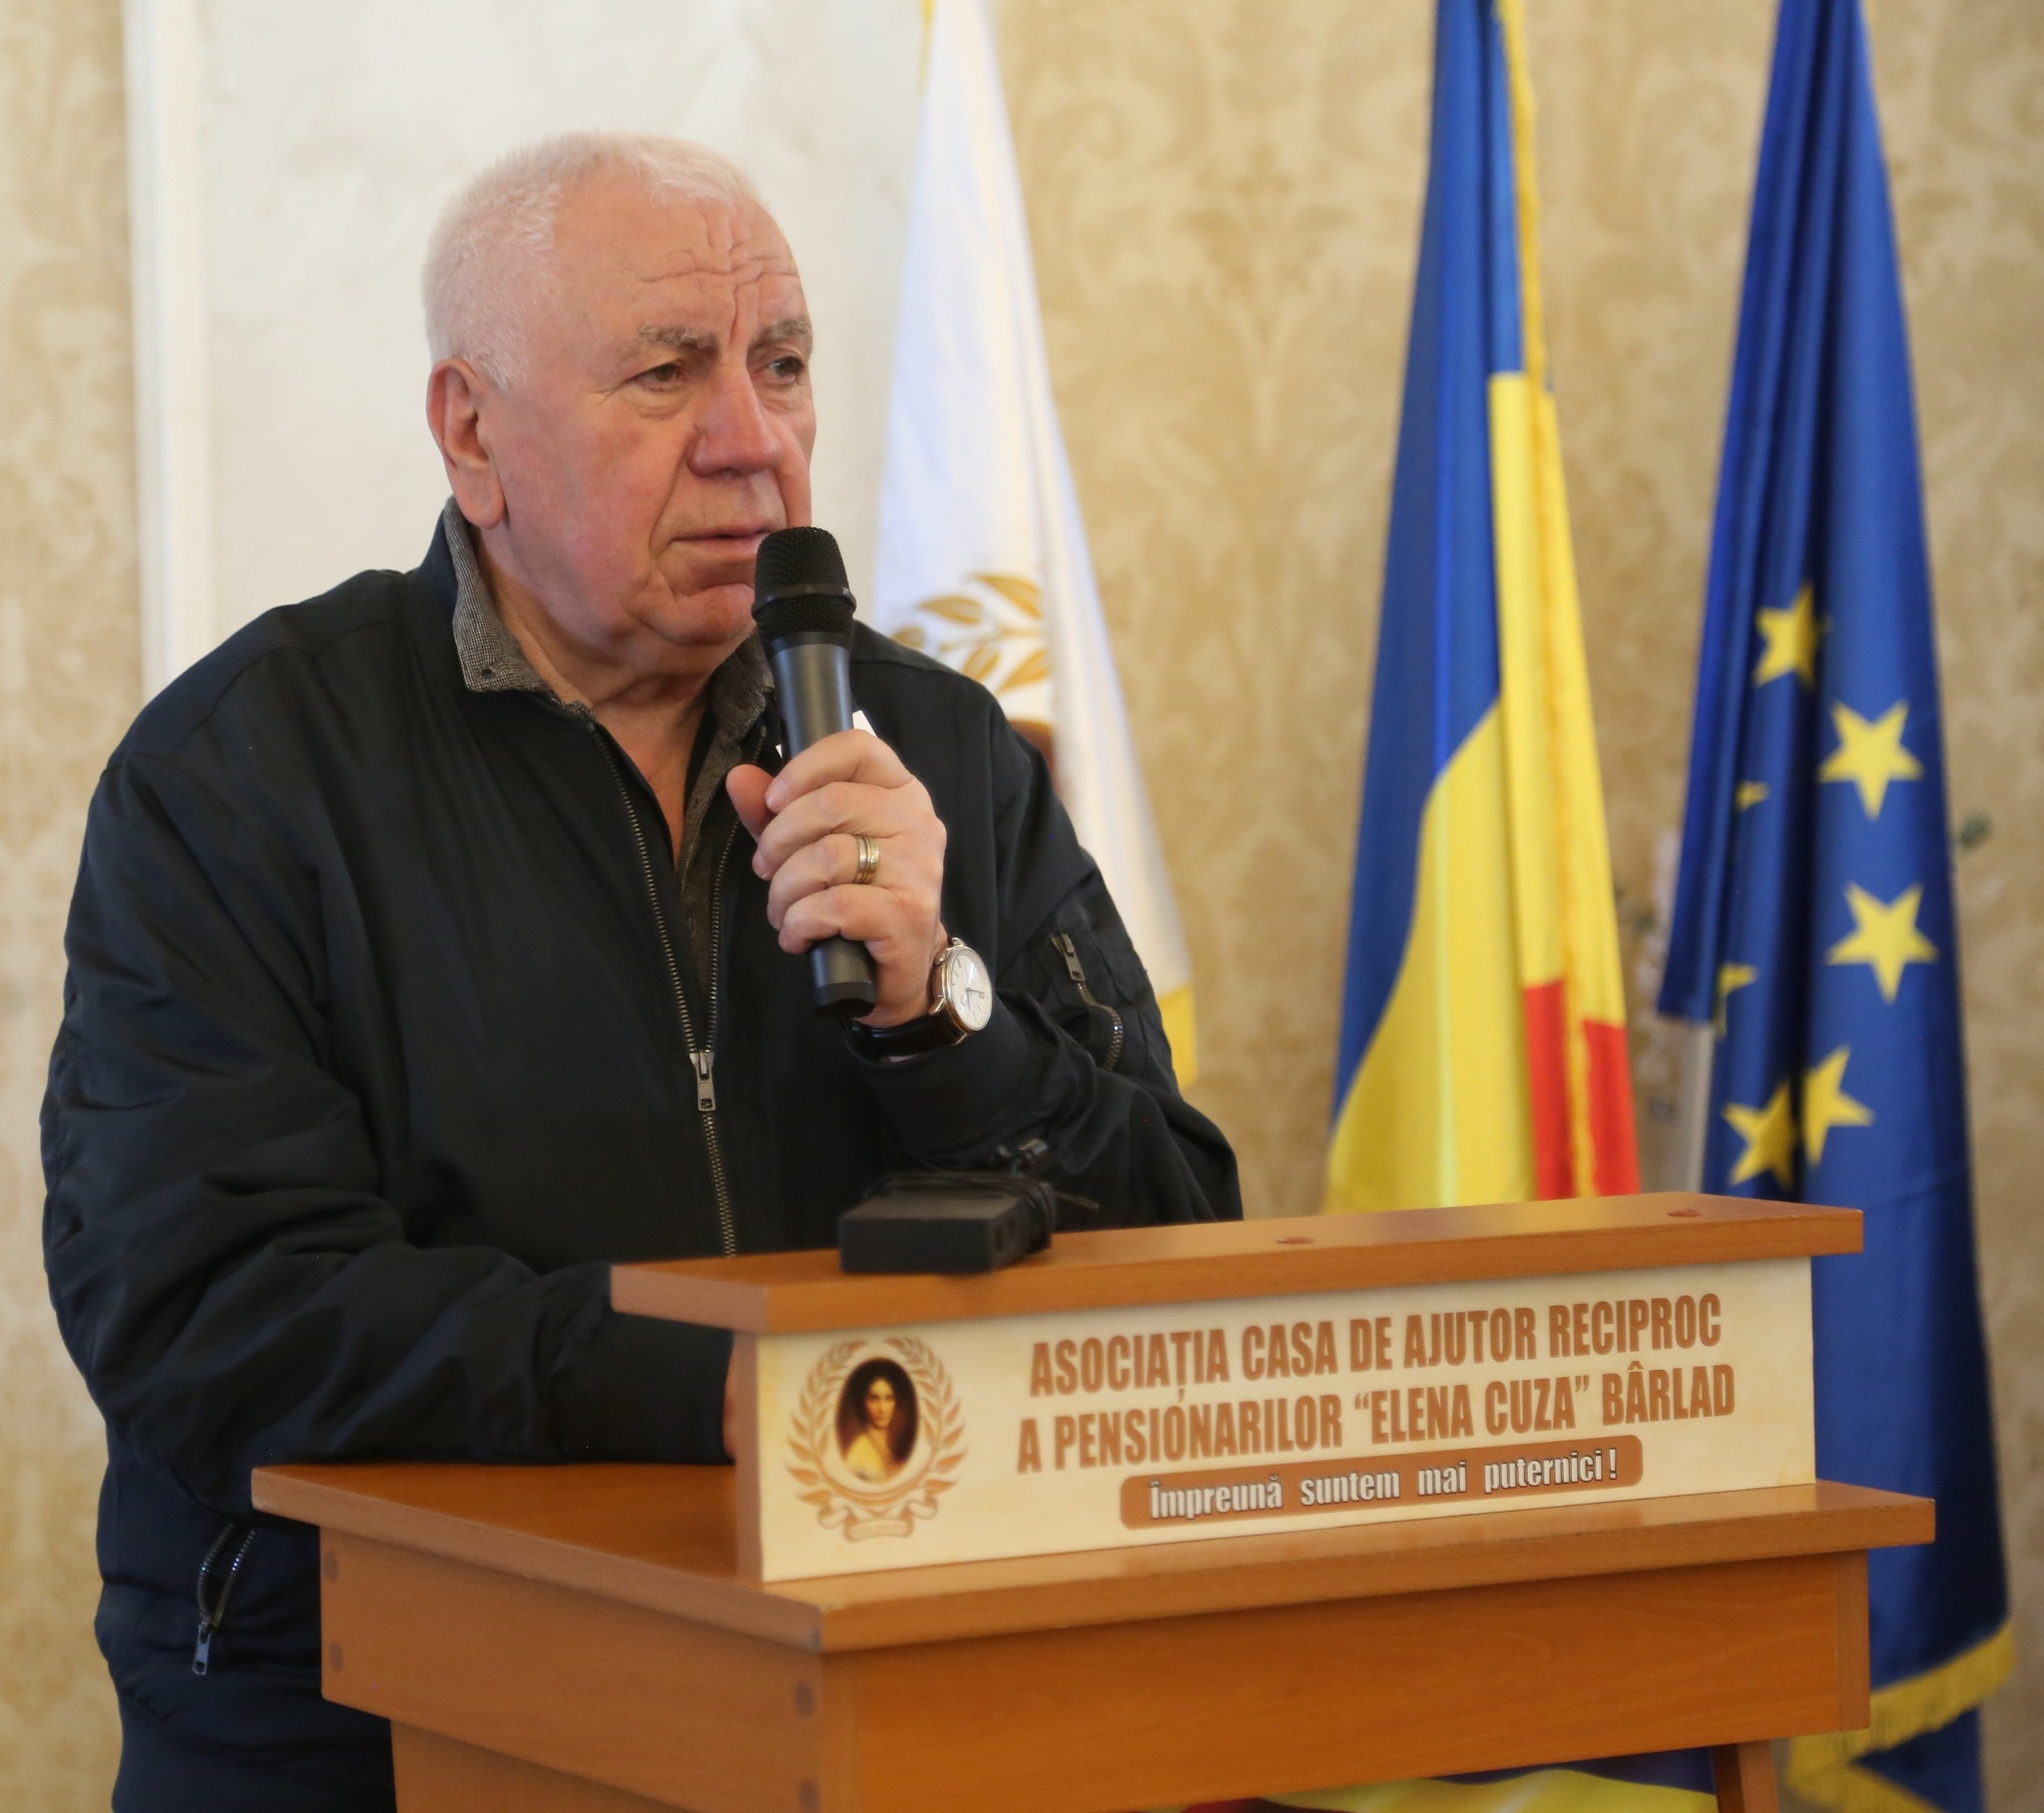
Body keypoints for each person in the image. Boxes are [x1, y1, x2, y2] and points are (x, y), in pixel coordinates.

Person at [41, 132, 1238, 1811]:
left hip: (892, 1706)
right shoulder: (246, 770)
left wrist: (939, 1017)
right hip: (379, 1731)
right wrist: (721, 1382)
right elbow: (208, 1312)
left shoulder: (941, 745)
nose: (753, 441)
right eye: (667, 374)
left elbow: (1182, 1239)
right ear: (473, 435)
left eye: (784, 364)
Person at [836, 1359, 917, 1482]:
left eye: (888, 1398)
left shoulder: (899, 1443)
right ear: (864, 1403)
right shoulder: (857, 1453)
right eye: (874, 1399)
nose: (882, 1409)